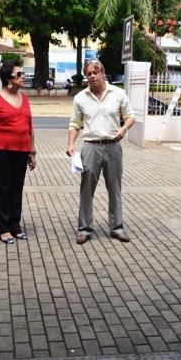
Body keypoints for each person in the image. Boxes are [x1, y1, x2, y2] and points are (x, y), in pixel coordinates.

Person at [66, 59, 135, 244]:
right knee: (86, 189)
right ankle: (84, 229)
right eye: (89, 73)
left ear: (103, 72)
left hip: (113, 146)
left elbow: (130, 116)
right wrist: (70, 144)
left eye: (96, 72)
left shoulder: (118, 94)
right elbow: (75, 123)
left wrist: (124, 129)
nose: (92, 76)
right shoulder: (80, 98)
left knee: (115, 188)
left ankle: (117, 227)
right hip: (90, 146)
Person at [0, 61, 37, 244]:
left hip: (21, 151)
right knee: (3, 190)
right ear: (8, 79)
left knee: (17, 189)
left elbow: (30, 128)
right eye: (19, 74)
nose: (23, 77)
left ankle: (15, 225)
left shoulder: (25, 98)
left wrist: (32, 152)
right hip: (1, 151)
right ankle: (4, 228)